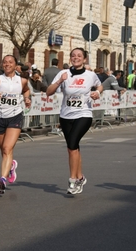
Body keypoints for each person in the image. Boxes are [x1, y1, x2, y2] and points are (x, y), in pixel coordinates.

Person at [46, 47, 103, 195]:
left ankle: (72, 181)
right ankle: (80, 177)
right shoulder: (63, 73)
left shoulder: (90, 75)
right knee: (73, 147)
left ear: (84, 59)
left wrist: (97, 92)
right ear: (70, 58)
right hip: (66, 115)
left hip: (84, 114)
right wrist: (60, 81)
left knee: (72, 146)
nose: (76, 57)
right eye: (73, 55)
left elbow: (99, 85)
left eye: (79, 56)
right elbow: (49, 92)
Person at [0, 55, 31, 194]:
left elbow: (26, 90)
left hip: (15, 116)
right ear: (2, 64)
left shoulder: (22, 81)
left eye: (10, 62)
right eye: (5, 62)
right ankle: (10, 166)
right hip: (0, 118)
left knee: (7, 148)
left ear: (16, 65)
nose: (7, 64)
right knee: (3, 150)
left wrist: (27, 99)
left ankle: (2, 179)